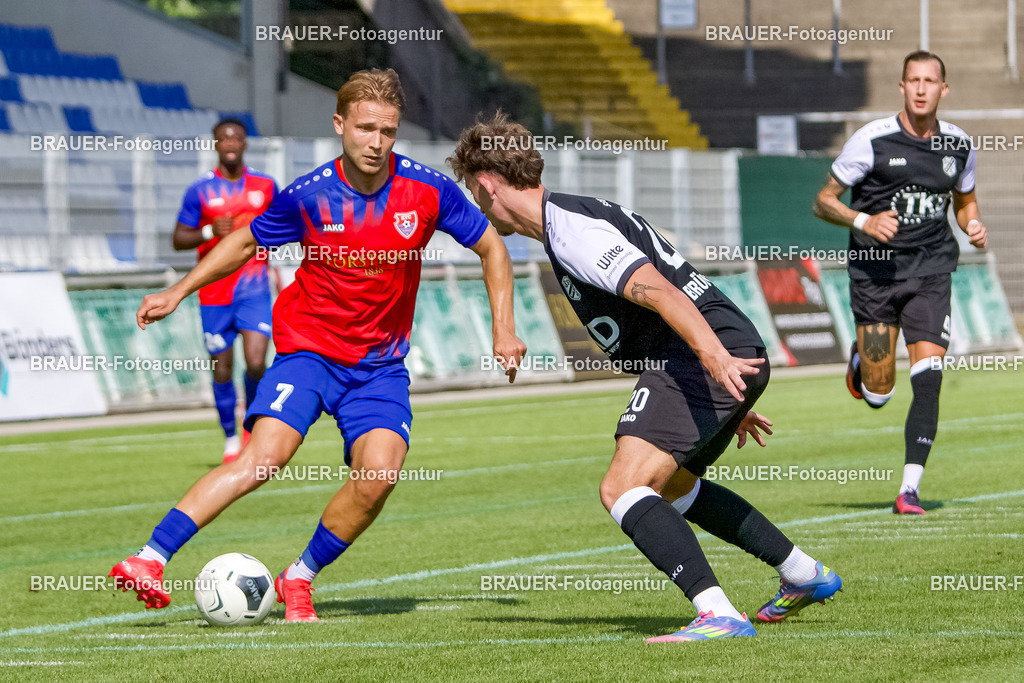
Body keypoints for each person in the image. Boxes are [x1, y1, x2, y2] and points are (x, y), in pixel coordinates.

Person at [109, 69, 526, 621]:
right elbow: (243, 242)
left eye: (388, 131)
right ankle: (150, 557)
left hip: (379, 367)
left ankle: (298, 577)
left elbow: (493, 248)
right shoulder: (308, 195)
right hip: (309, 352)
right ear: (340, 125)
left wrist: (503, 327)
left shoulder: (427, 190)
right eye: (365, 128)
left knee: (379, 475)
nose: (376, 142)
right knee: (265, 457)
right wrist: (180, 290)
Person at [447, 112, 842, 642]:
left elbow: (659, 291)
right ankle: (802, 573)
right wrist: (727, 386)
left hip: (703, 353)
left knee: (623, 486)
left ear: (488, 183)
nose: (474, 201)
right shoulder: (567, 223)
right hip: (716, 351)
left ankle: (718, 614)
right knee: (674, 487)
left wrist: (713, 359)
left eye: (473, 189)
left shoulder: (573, 232)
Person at [813, 51, 986, 515]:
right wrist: (864, 221)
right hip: (875, 276)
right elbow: (823, 202)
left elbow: (965, 201)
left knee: (929, 381)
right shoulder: (871, 141)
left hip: (931, 272)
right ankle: (861, 366)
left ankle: (908, 490)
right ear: (902, 86)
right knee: (879, 393)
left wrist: (972, 225)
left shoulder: (959, 145)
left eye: (931, 81)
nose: (922, 88)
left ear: (943, 89)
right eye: (914, 80)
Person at [172, 117, 276, 463]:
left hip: (254, 286)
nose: (230, 144)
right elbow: (178, 239)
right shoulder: (200, 190)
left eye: (236, 138)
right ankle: (230, 438)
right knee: (222, 368)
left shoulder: (266, 186)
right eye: (223, 139)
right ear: (216, 145)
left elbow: (281, 228)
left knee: (258, 362)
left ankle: (250, 428)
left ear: (245, 144)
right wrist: (207, 231)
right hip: (215, 292)